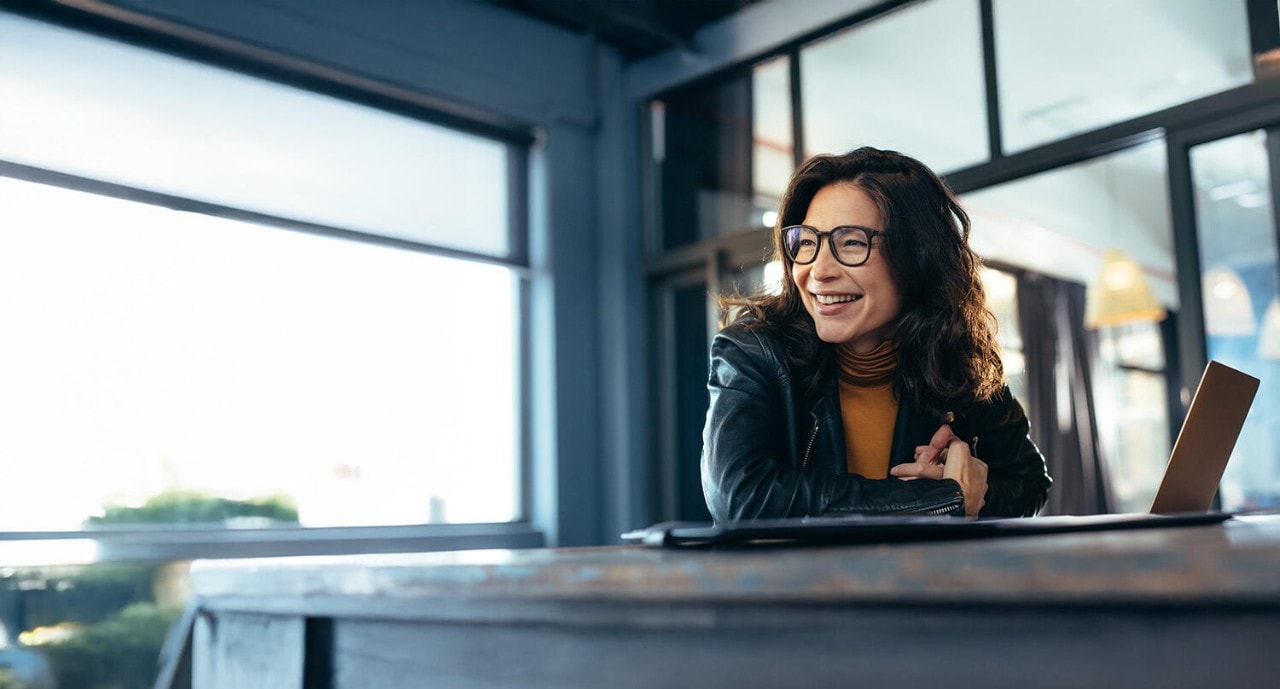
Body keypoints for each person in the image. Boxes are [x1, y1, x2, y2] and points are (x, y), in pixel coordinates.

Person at [701, 146, 1050, 521]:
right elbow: (740, 498)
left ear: (917, 256)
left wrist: (972, 490)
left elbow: (1029, 483)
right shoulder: (754, 351)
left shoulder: (957, 356)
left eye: (851, 242)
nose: (818, 271)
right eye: (806, 242)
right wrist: (939, 498)